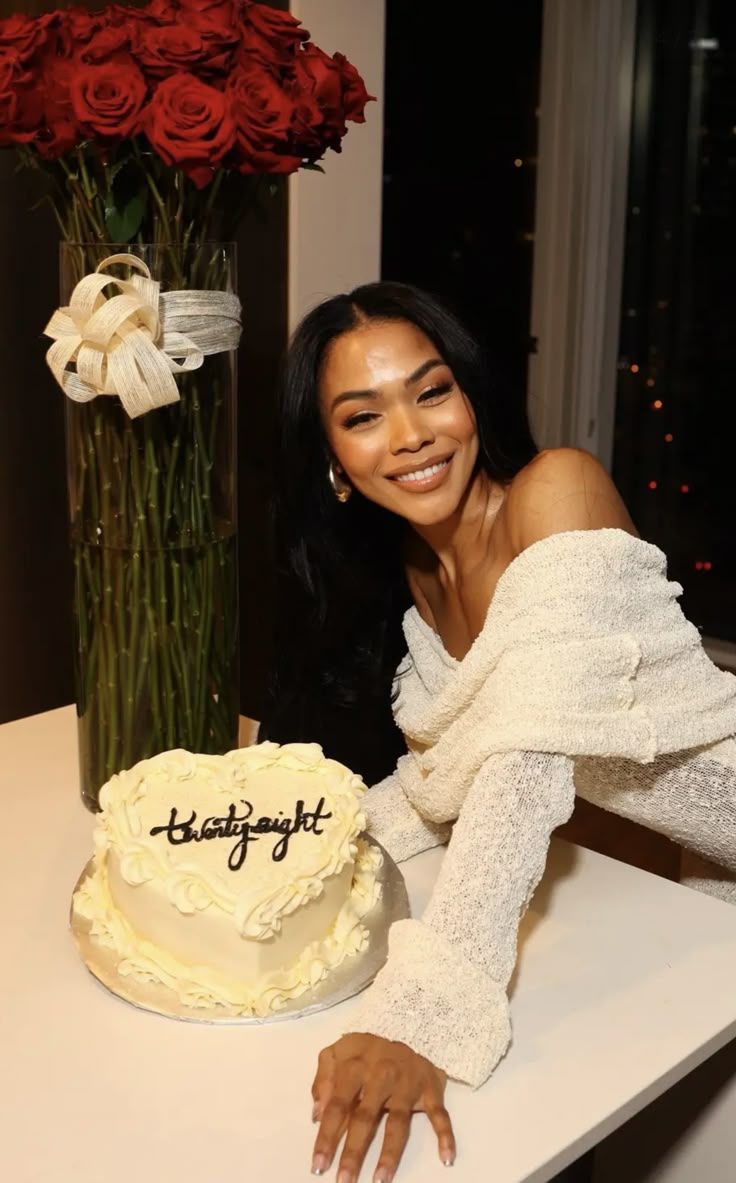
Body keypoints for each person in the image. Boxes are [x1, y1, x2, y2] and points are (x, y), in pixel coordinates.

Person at [261, 282, 736, 1183]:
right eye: (364, 415)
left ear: (471, 395)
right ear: (331, 457)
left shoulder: (555, 490)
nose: (411, 434)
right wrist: (288, 850)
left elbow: (521, 761)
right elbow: (445, 778)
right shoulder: (414, 574)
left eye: (432, 391)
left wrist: (419, 1018)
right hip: (674, 874)